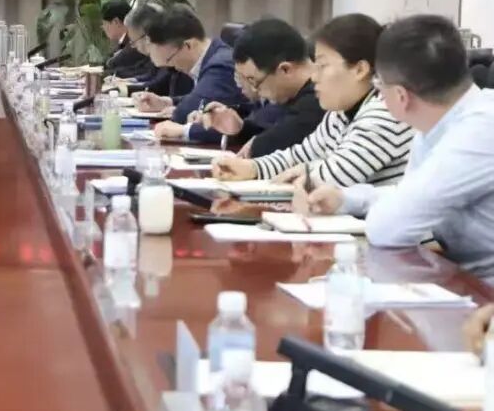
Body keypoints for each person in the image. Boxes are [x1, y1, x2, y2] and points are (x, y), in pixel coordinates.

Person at [295, 16, 494, 275]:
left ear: (401, 96)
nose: (378, 95)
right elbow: (410, 194)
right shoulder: (438, 123)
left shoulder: (480, 132)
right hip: (462, 277)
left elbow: (387, 228)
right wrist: (345, 199)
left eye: (379, 86)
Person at [213, 14, 413, 187]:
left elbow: (335, 177)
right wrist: (251, 168)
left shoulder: (385, 113)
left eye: (323, 66)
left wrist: (304, 171)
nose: (314, 77)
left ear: (359, 70)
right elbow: (301, 155)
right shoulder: (340, 113)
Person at [190, 18, 324, 158]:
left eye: (254, 81)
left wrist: (255, 145)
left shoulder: (319, 98)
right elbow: (273, 132)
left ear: (285, 69)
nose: (255, 91)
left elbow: (277, 142)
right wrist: (240, 128)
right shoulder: (293, 96)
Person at [134, 6, 246, 143]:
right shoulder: (212, 56)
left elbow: (185, 112)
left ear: (188, 45)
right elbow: (198, 99)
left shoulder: (220, 66)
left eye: (170, 62)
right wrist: (165, 102)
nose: (174, 70)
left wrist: (181, 122)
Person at [120, 3, 193, 97]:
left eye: (134, 41)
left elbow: (158, 86)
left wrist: (120, 89)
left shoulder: (174, 54)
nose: (134, 46)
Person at [102, 0, 156, 82]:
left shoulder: (137, 43)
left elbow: (112, 64)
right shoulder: (125, 42)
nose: (103, 28)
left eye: (104, 23)